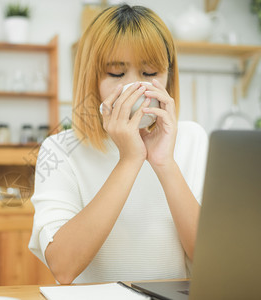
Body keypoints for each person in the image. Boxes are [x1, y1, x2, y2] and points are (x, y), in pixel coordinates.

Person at [28, 4, 208, 285]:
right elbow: (62, 266)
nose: (134, 88)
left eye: (150, 73)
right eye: (115, 73)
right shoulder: (59, 150)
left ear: (168, 77)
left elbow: (210, 259)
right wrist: (129, 159)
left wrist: (164, 163)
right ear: (92, 78)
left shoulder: (192, 139)